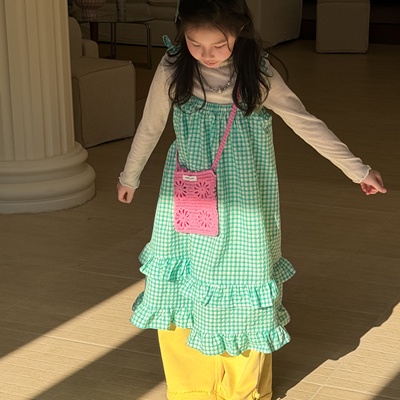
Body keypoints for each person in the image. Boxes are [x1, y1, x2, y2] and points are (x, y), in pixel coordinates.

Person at [117, 1, 386, 398]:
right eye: (195, 43)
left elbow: (304, 122)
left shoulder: (257, 73)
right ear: (181, 32)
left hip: (244, 203)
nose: (207, 54)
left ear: (240, 31)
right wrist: (130, 175)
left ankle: (243, 391)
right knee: (185, 279)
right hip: (189, 198)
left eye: (218, 44)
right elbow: (150, 124)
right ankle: (190, 390)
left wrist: (358, 170)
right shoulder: (173, 66)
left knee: (242, 283)